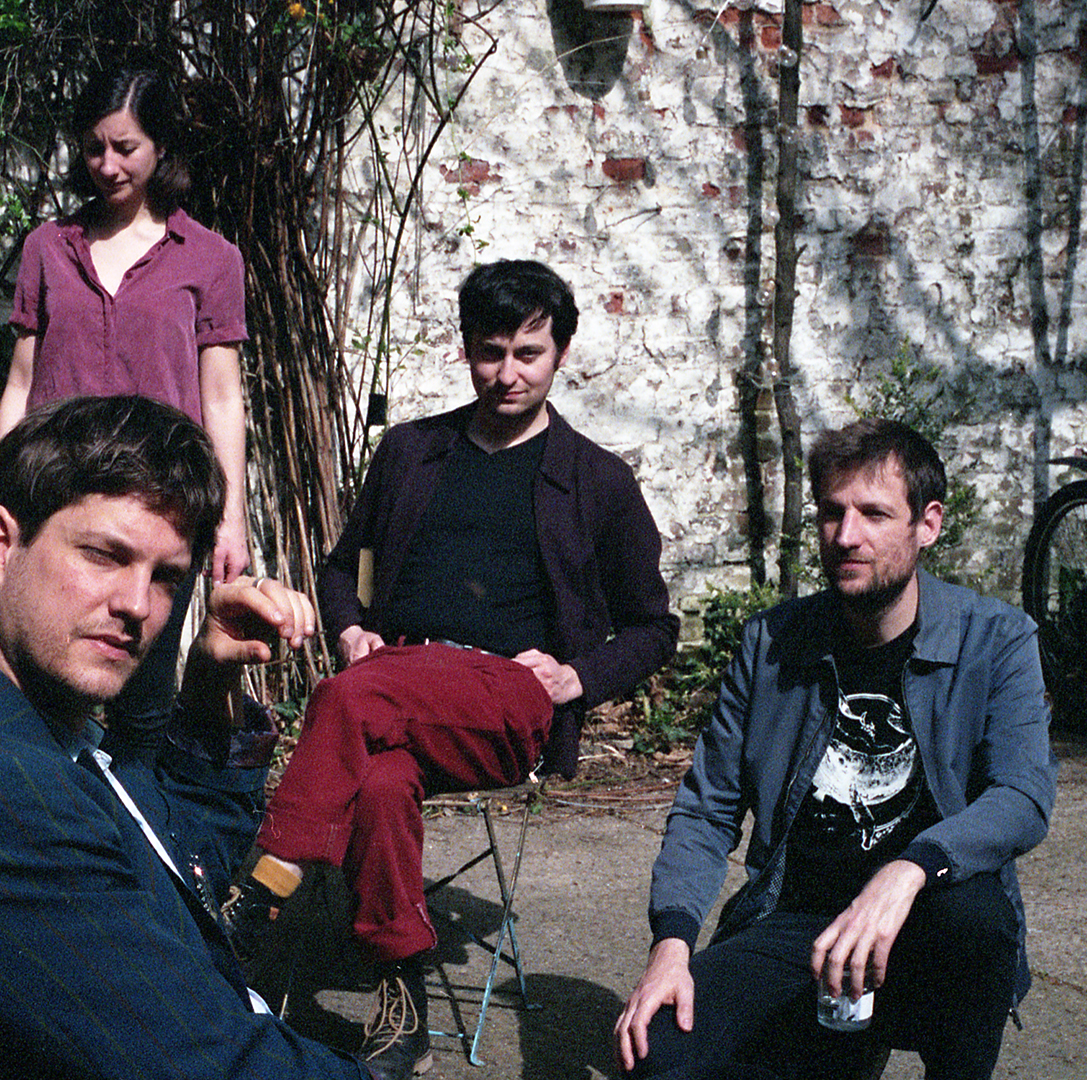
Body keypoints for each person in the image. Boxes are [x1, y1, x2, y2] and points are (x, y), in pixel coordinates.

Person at [224, 260, 678, 1080]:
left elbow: (654, 628)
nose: (508, 374)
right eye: (490, 352)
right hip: (391, 683)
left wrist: (576, 677)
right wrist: (352, 628)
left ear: (561, 353)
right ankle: (403, 1001)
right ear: (466, 349)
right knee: (380, 782)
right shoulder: (412, 452)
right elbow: (345, 567)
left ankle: (264, 888)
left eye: (528, 354)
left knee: (348, 702)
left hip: (507, 699)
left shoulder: (597, 481)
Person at [0, 396, 368, 1080]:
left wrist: (209, 685)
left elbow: (177, 870)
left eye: (166, 577)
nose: (136, 605)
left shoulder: (18, 719)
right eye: (103, 555)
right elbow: (209, 1066)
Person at [614, 419, 1055, 1080]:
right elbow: (706, 809)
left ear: (928, 524)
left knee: (974, 915)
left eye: (874, 514)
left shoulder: (996, 639)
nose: (846, 536)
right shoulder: (773, 642)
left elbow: (1022, 796)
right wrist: (671, 946)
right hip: (799, 927)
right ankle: (834, 1048)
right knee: (653, 1051)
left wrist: (910, 868)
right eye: (831, 513)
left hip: (925, 934)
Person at [0, 68, 250, 745]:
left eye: (125, 148)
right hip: (57, 504)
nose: (107, 166)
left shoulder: (212, 259)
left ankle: (137, 807)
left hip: (162, 510)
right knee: (40, 682)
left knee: (143, 691)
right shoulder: (47, 250)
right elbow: (19, 385)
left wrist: (230, 518)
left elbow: (222, 396)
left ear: (161, 147)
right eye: (93, 148)